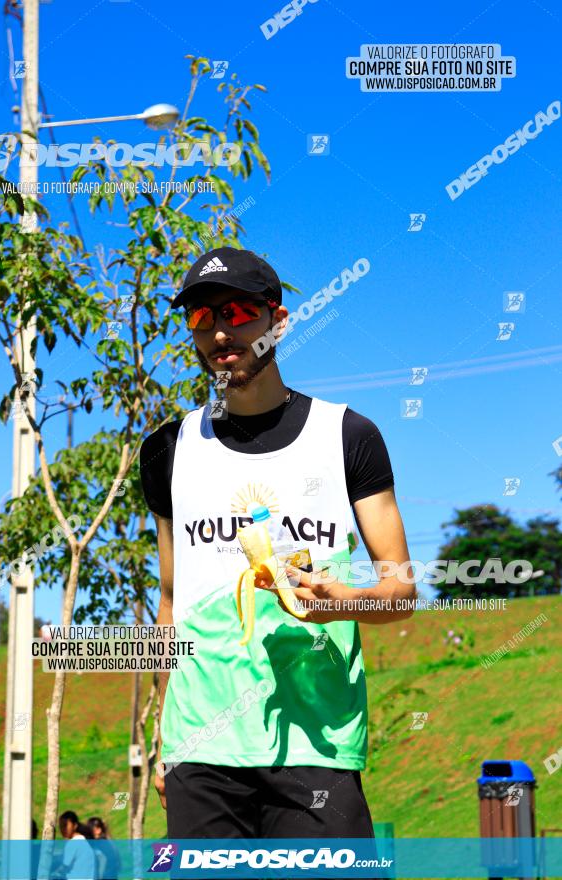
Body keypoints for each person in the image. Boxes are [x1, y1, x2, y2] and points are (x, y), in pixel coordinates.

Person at [140, 246, 416, 844]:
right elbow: (169, 603)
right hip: (201, 746)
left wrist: (341, 601)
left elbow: (401, 593)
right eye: (200, 317)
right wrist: (164, 736)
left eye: (238, 311)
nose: (219, 331)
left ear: (279, 321)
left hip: (319, 744)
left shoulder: (348, 436)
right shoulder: (166, 449)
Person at [58, 811, 96, 880]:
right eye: (62, 826)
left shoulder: (73, 843)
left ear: (75, 825)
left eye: (65, 825)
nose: (63, 829)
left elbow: (64, 866)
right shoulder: (84, 841)